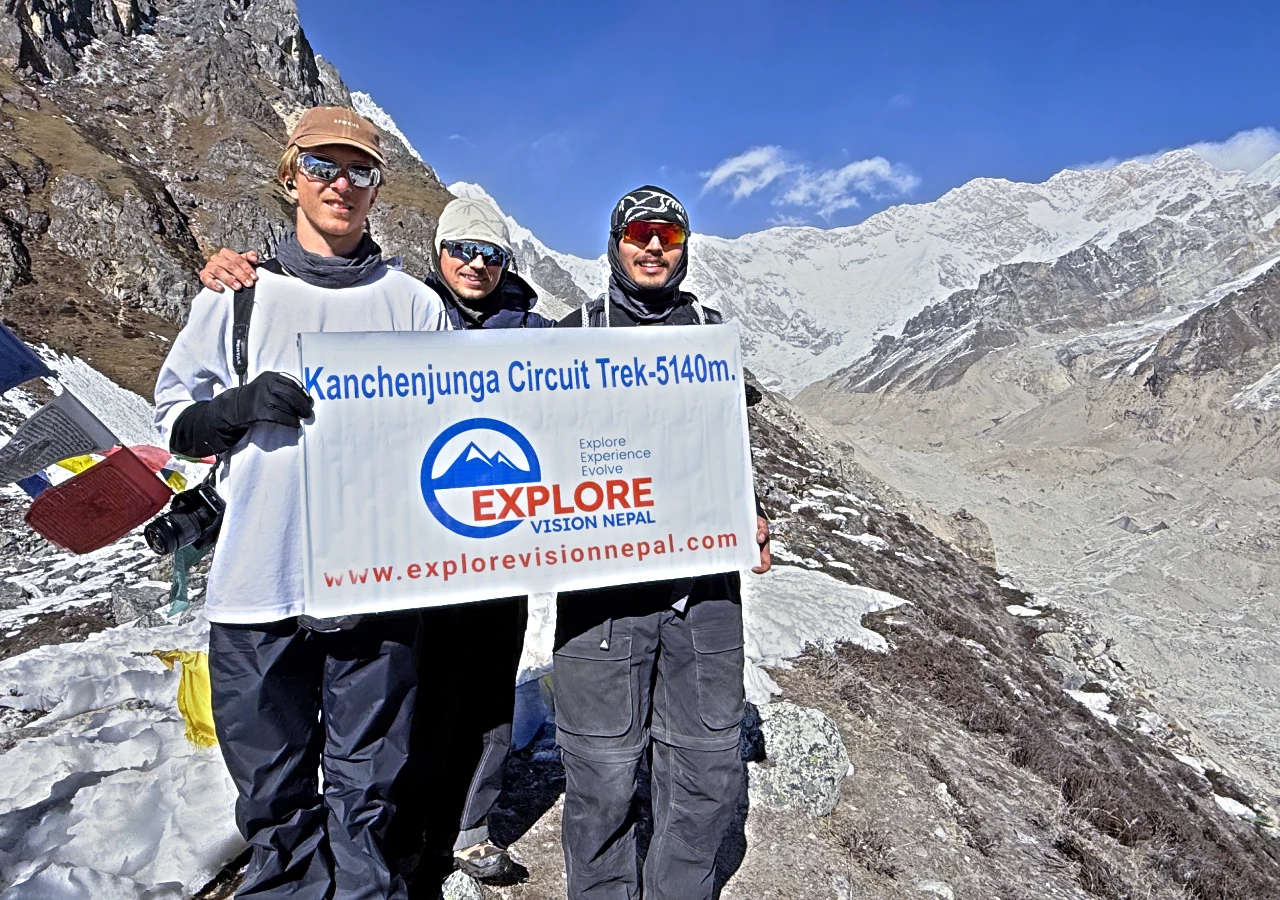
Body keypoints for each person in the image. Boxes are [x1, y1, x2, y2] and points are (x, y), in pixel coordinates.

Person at [197, 196, 551, 891]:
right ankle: (399, 843)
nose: (476, 263)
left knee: (484, 696)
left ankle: (469, 830)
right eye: (461, 250)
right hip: (405, 555)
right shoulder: (403, 310)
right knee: (410, 702)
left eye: (491, 253)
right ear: (438, 253)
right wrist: (237, 270)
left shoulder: (536, 332)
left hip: (495, 551)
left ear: (508, 263)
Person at [155, 106, 449, 900]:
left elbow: (452, 428)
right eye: (323, 165)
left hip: (380, 586)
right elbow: (176, 422)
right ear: (291, 175)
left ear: (378, 187)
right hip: (258, 582)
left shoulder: (416, 307)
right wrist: (235, 408)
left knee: (371, 795)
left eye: (359, 171)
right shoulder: (238, 296)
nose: (341, 185)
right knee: (275, 800)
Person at [554, 185, 771, 900]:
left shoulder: (712, 335)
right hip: (601, 599)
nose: (653, 247)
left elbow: (724, 451)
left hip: (704, 594)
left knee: (708, 767)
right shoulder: (568, 336)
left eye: (668, 237)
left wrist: (752, 511)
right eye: (640, 234)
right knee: (601, 775)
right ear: (615, 244)